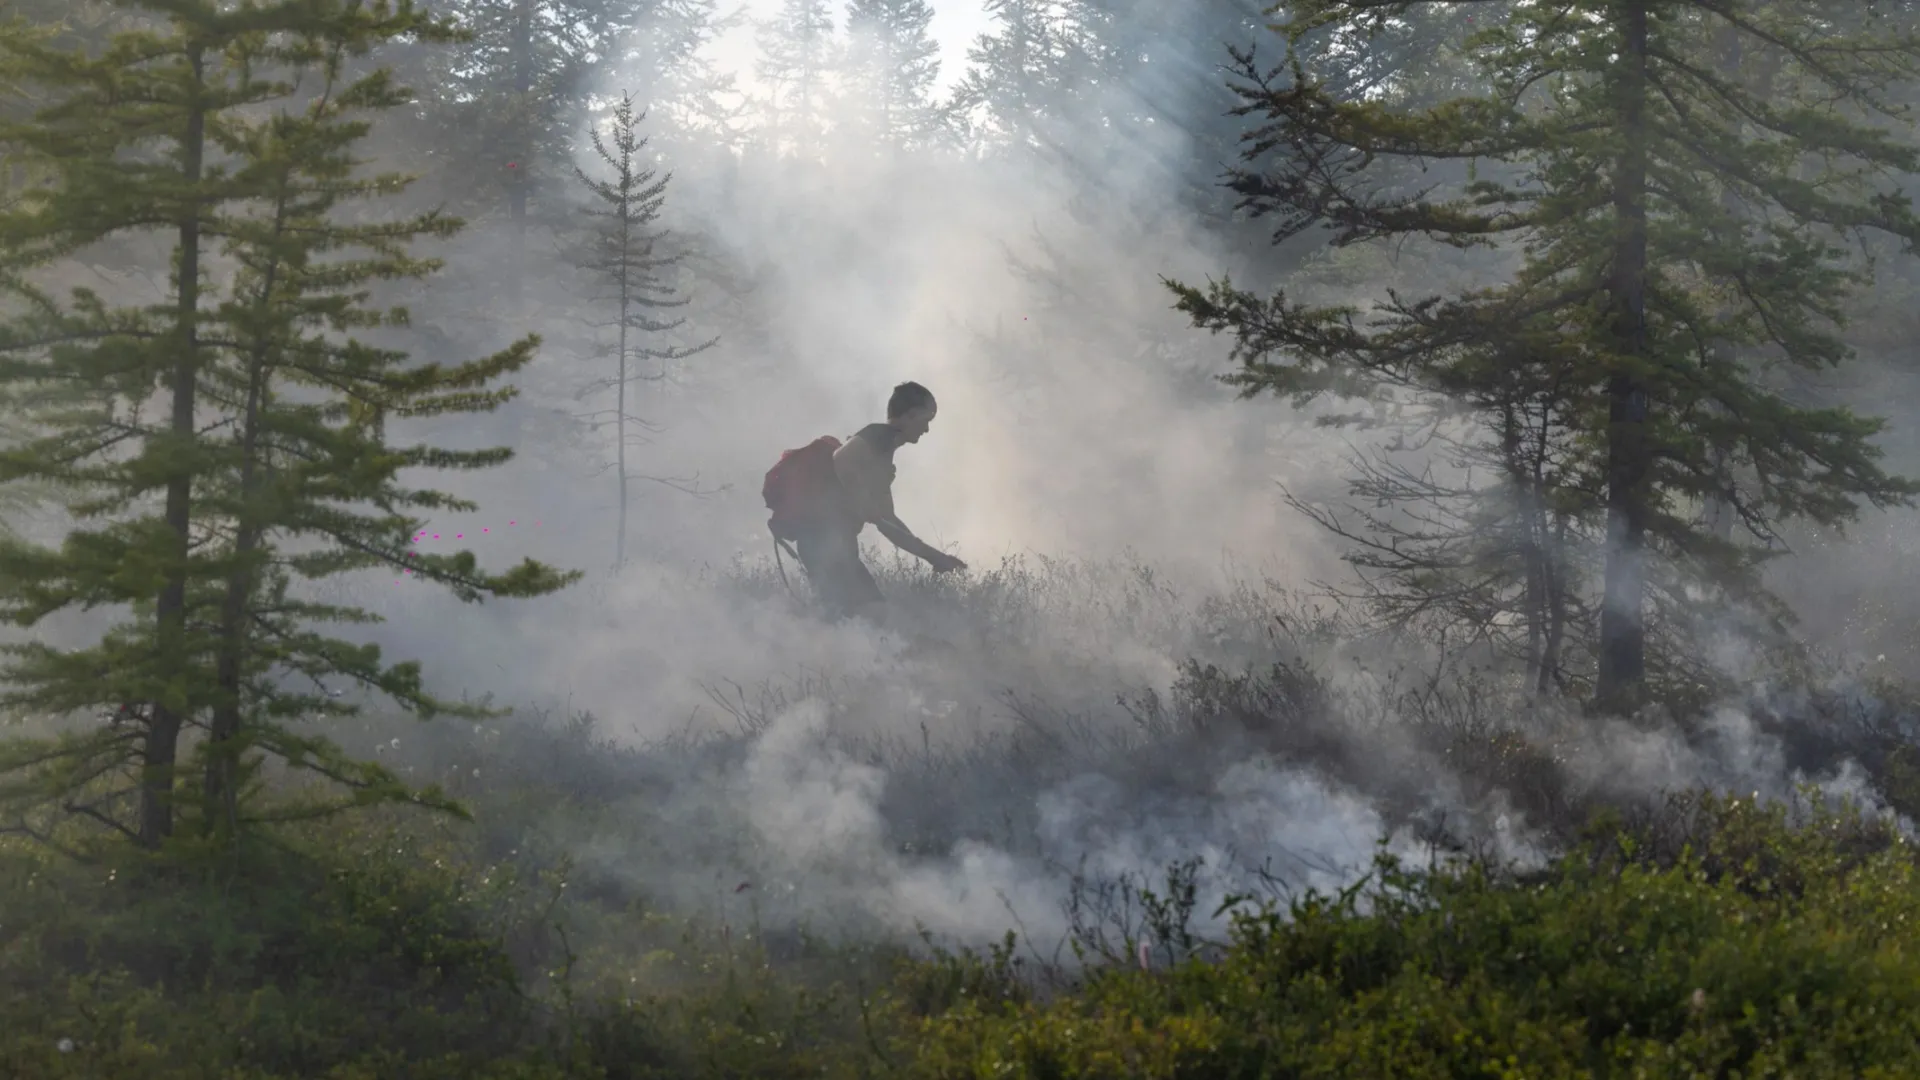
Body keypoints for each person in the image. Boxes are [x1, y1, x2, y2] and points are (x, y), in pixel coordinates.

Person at [789, 381, 966, 623]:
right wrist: (862, 499)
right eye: (926, 421)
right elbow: (842, 458)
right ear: (910, 415)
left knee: (850, 621)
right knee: (872, 616)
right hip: (823, 542)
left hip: (832, 546)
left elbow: (888, 522)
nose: (926, 430)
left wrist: (934, 557)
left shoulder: (883, 455)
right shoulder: (880, 435)